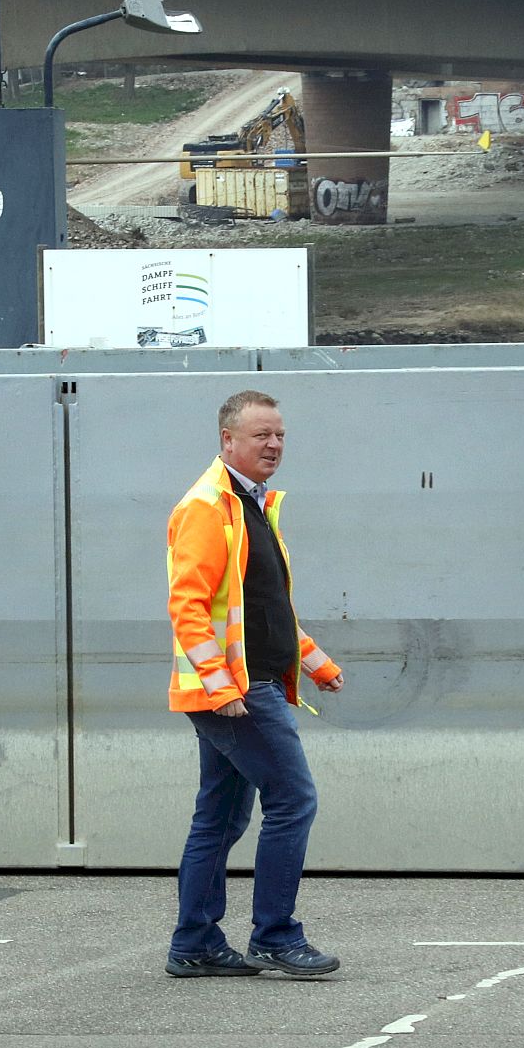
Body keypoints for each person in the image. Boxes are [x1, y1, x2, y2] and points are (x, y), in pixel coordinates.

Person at [163, 389, 346, 979]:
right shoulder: (207, 507)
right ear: (228, 440)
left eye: (280, 435)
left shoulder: (251, 504)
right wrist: (221, 689)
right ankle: (275, 936)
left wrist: (314, 662)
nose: (274, 445)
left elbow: (262, 608)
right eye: (261, 435)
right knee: (293, 800)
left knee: (220, 818)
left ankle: (195, 944)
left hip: (244, 685)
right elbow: (188, 607)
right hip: (237, 692)